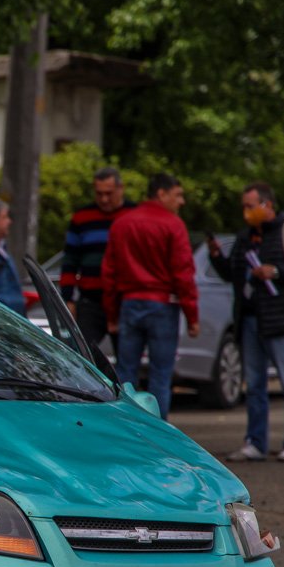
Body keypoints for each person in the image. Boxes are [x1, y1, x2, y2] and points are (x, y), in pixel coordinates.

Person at [209, 182, 284, 463]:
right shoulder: (245, 238)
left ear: (267, 205)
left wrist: (277, 272)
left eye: (250, 206)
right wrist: (216, 256)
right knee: (255, 384)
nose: (246, 212)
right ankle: (255, 442)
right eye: (244, 207)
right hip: (249, 318)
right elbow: (232, 274)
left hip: (281, 318)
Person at [102, 173, 199, 419]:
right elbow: (183, 274)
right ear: (162, 193)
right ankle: (158, 432)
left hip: (130, 304)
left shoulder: (123, 223)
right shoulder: (173, 224)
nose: (181, 202)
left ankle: (125, 427)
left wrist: (112, 313)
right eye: (178, 195)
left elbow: (110, 273)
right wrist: (192, 315)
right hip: (162, 306)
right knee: (160, 376)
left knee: (126, 374)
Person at [60, 167, 136, 352]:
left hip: (124, 301)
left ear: (120, 189)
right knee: (82, 354)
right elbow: (70, 260)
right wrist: (68, 298)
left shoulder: (134, 215)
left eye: (109, 193)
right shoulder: (82, 218)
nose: (104, 199)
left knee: (127, 357)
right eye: (99, 193)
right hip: (91, 301)